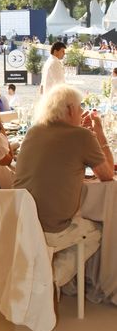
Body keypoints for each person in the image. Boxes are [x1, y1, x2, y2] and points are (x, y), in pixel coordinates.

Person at [14, 84, 113, 259]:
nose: (82, 112)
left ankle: (45, 276)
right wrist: (99, 133)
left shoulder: (33, 131)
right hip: (53, 228)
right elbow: (107, 175)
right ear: (69, 109)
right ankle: (53, 280)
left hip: (22, 222)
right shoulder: (82, 135)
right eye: (80, 107)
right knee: (97, 231)